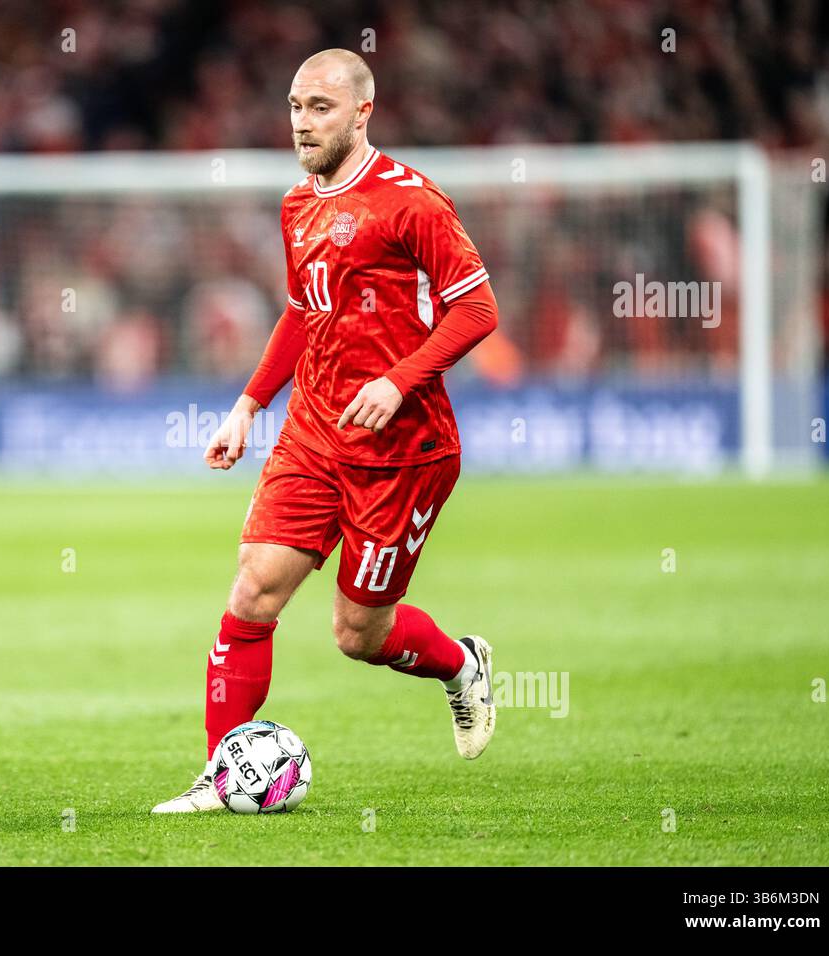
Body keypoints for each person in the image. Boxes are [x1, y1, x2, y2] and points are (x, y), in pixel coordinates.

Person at [153, 49, 501, 813]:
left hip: (403, 453)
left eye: (320, 108)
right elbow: (304, 312)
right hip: (313, 432)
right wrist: (249, 403)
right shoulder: (297, 204)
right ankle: (223, 775)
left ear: (362, 113)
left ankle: (459, 663)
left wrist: (398, 378)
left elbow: (478, 310)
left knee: (358, 635)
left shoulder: (413, 203)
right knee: (252, 593)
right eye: (295, 106)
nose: (302, 123)